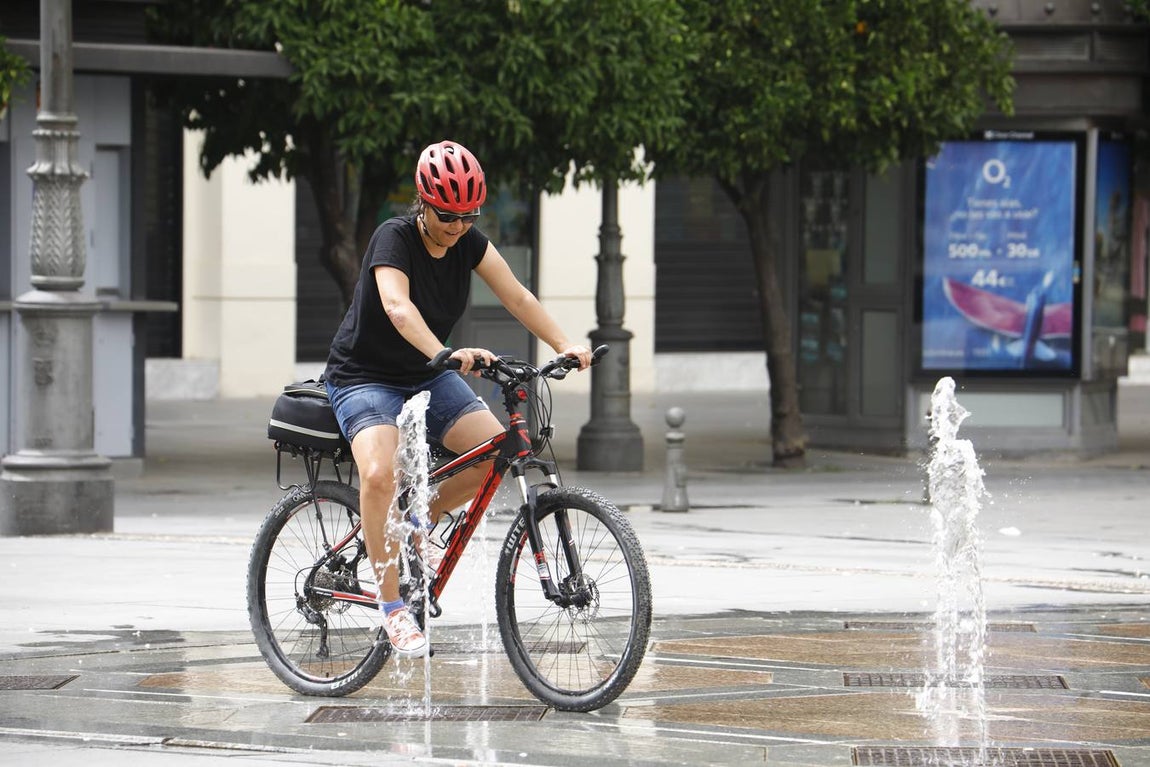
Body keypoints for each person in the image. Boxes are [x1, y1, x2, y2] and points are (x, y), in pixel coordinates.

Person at [323, 140, 592, 658]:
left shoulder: (469, 242)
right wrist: (444, 352)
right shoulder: (393, 238)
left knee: (498, 450)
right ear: (424, 202)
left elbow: (516, 295)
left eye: (469, 215)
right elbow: (398, 308)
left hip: (427, 372)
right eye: (448, 214)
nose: (458, 225)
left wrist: (565, 345)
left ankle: (415, 519)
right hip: (364, 376)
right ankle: (393, 608)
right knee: (380, 475)